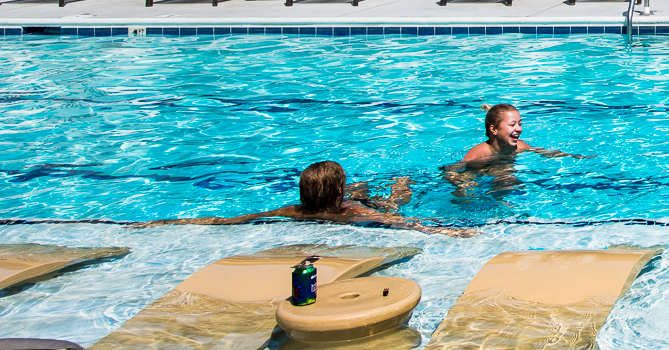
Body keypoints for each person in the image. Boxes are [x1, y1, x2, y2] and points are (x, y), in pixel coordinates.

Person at [135, 160, 469, 235]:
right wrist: (449, 231)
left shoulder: (295, 209)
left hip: (324, 209)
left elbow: (227, 220)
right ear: (339, 192)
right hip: (366, 211)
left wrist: (165, 221)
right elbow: (402, 222)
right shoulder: (350, 212)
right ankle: (400, 183)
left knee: (367, 191)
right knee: (397, 196)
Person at [459, 103, 579, 168]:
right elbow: (452, 171)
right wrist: (461, 183)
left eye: (520, 124)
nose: (519, 129)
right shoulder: (479, 153)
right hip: (479, 171)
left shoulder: (520, 146)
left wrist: (571, 156)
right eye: (512, 125)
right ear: (494, 129)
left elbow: (543, 152)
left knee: (507, 177)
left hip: (501, 170)